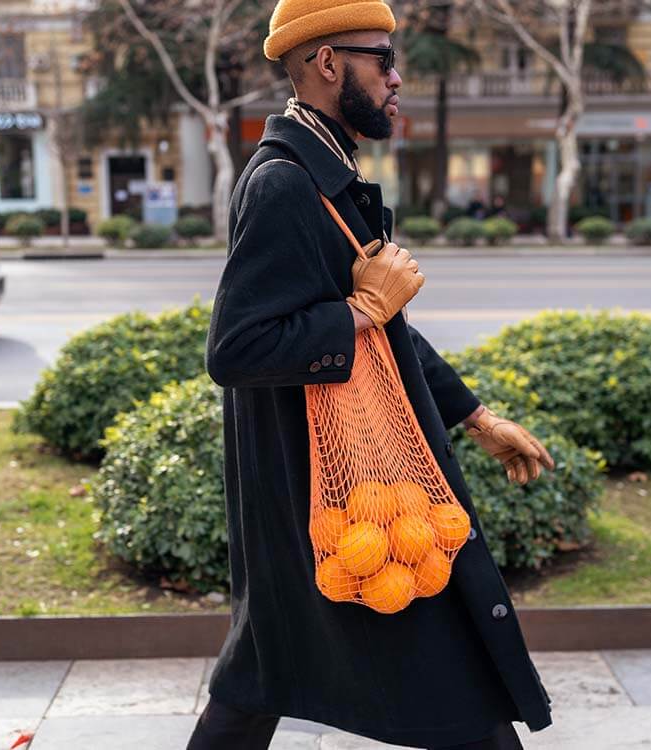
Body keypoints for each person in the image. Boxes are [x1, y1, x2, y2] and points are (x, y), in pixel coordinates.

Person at [191, 1, 557, 748]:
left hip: (331, 485)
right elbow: (236, 348)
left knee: (261, 676)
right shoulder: (285, 183)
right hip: (334, 490)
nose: (398, 78)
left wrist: (478, 418)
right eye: (382, 59)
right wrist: (360, 310)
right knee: (453, 666)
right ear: (328, 63)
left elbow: (391, 334)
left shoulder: (324, 170)